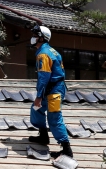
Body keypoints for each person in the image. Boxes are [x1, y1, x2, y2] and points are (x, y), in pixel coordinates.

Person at [28, 25, 73, 158]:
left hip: (53, 92)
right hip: (53, 89)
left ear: (42, 38)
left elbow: (44, 77)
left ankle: (66, 150)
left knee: (54, 118)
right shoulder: (51, 51)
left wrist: (39, 96)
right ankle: (43, 136)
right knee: (36, 110)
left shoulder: (43, 54)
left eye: (35, 36)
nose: (33, 38)